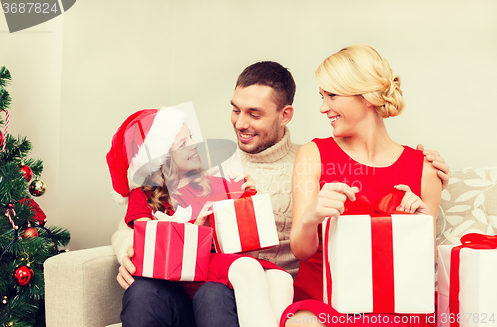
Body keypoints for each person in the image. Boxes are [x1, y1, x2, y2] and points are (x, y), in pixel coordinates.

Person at [112, 61, 450, 327]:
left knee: (215, 295)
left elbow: (379, 217)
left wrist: (426, 172)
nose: (240, 123)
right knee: (143, 291)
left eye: (254, 114)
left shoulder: (314, 160)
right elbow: (149, 206)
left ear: (285, 115)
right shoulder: (207, 162)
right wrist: (127, 246)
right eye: (235, 109)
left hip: (253, 290)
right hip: (197, 277)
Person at [282, 44, 442, 327]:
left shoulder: (425, 168)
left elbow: (423, 266)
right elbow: (301, 251)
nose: (323, 107)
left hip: (393, 307)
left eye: (331, 95)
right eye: (322, 96)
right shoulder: (313, 154)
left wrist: (418, 223)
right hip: (324, 302)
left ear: (367, 97)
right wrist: (311, 216)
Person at [106, 105, 293, 327]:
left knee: (255, 283)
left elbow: (243, 239)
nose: (194, 145)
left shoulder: (217, 185)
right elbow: (149, 248)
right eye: (183, 143)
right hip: (175, 291)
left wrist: (247, 196)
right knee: (143, 289)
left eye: (191, 137)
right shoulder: (142, 197)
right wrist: (192, 229)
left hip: (216, 287)